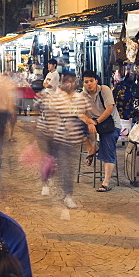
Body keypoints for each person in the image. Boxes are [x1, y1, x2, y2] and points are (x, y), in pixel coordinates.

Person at [37, 72, 95, 209]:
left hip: (73, 140)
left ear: (75, 83)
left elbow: (86, 115)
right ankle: (49, 181)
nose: (68, 84)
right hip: (57, 138)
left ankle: (67, 195)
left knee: (67, 168)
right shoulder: (56, 97)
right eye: (65, 81)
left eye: (71, 81)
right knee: (56, 164)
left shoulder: (81, 98)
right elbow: (49, 116)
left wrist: (89, 133)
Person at [82, 71, 118, 192]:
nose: (89, 84)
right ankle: (92, 148)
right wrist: (89, 121)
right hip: (95, 123)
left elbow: (109, 109)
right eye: (86, 82)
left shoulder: (104, 90)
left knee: (108, 148)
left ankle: (106, 182)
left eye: (91, 81)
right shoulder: (82, 95)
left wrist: (95, 122)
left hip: (111, 124)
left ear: (96, 81)